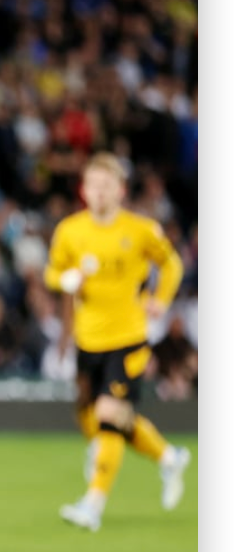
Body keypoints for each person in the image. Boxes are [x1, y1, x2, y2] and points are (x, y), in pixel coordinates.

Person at [45, 152, 191, 531]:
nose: (100, 193)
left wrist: (160, 300)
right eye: (93, 185)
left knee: (109, 419)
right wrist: (65, 282)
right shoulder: (70, 231)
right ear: (83, 189)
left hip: (128, 338)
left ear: (120, 191)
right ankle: (168, 456)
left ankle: (92, 505)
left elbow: (172, 263)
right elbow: (51, 272)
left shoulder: (140, 229)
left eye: (107, 186)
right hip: (87, 338)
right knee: (92, 418)